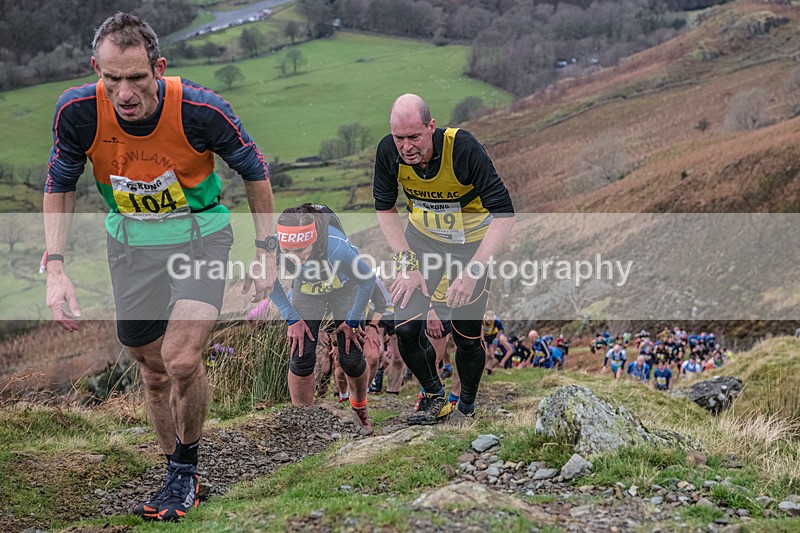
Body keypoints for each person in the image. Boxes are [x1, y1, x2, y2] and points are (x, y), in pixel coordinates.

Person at [42, 13, 276, 523]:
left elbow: (254, 169)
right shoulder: (78, 112)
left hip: (200, 238)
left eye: (136, 78)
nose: (124, 93)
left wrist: (267, 249)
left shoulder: (201, 109)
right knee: (152, 372)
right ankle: (175, 467)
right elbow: (59, 182)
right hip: (130, 248)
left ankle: (185, 472)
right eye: (112, 79)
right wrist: (55, 266)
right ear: (96, 70)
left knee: (182, 360)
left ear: (159, 68)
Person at [373, 93, 515, 424]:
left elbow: (505, 215)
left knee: (466, 335)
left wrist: (473, 271)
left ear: (431, 127)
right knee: (406, 328)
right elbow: (384, 207)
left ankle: (465, 405)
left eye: (414, 137)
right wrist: (407, 265)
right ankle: (434, 396)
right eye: (398, 138)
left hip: (470, 247)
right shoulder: (388, 151)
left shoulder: (463, 148)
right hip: (423, 245)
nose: (406, 147)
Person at [266, 204, 376, 434]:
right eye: (288, 251)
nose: (294, 258)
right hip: (308, 290)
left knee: (351, 356)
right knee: (301, 353)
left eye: (301, 251)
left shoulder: (336, 247)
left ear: (314, 241)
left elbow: (367, 281)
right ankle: (303, 419)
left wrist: (353, 321)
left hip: (345, 287)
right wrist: (291, 318)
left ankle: (359, 408)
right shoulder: (272, 246)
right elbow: (265, 279)